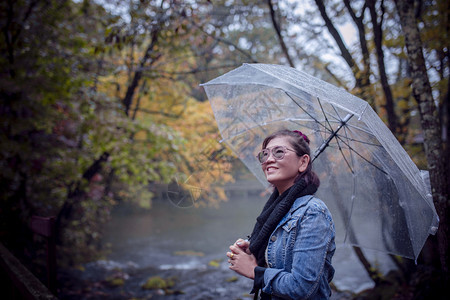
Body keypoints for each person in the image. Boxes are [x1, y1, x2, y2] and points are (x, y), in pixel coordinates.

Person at [226, 129, 336, 299]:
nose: (269, 159)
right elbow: (281, 252)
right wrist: (254, 248)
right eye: (264, 154)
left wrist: (255, 272)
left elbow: (301, 288)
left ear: (303, 162)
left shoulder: (312, 213)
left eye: (279, 152)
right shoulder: (278, 208)